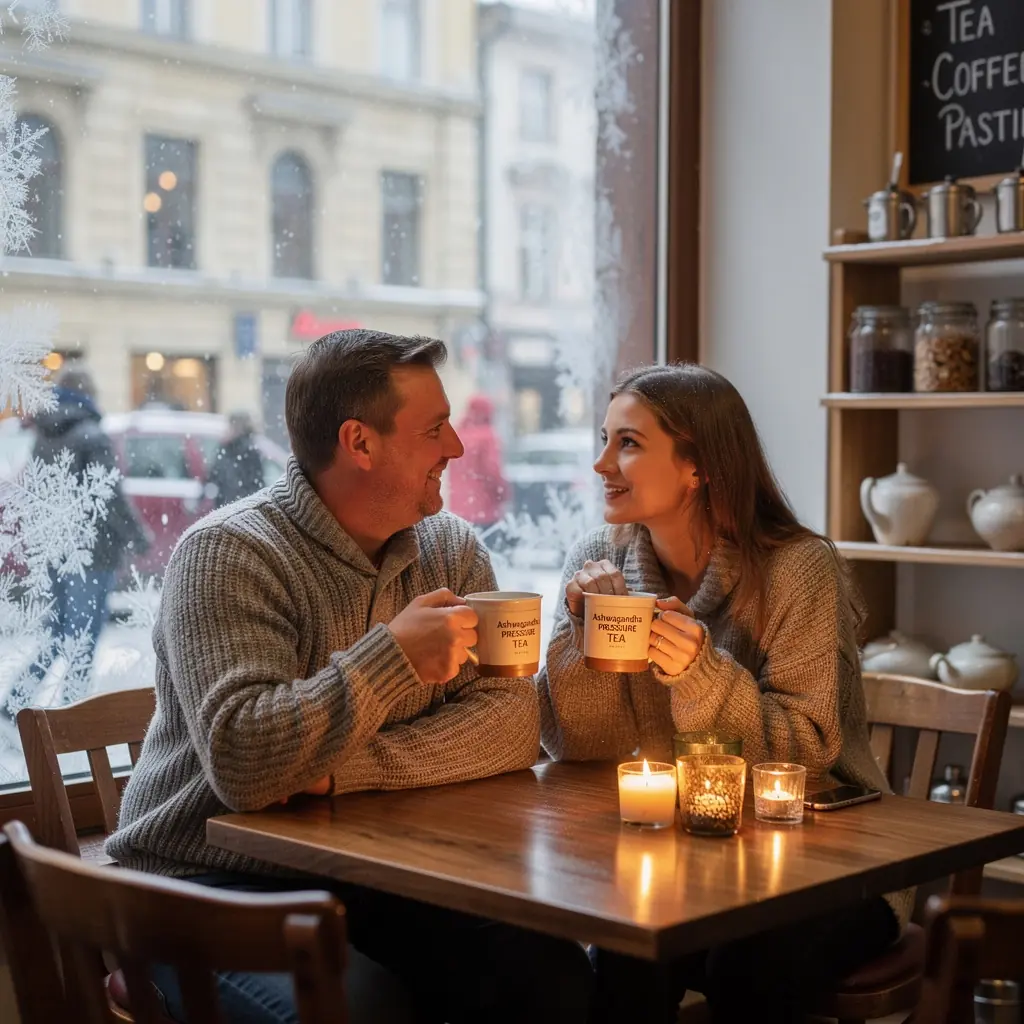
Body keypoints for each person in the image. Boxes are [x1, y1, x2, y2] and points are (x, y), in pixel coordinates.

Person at [107, 329, 594, 1024]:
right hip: (200, 887)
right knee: (362, 1008)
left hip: (369, 873)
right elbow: (246, 765)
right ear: (360, 444)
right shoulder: (227, 555)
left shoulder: (452, 551)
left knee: (549, 974)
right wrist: (392, 658)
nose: (456, 447)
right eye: (434, 429)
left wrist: (340, 773)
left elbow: (513, 723)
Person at [537, 363, 910, 1024]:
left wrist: (699, 674)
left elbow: (813, 751)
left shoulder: (798, 568)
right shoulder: (598, 556)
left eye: (627, 443)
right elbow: (575, 746)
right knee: (623, 957)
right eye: (604, 439)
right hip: (685, 858)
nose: (600, 463)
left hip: (832, 863)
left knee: (743, 967)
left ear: (698, 466)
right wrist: (584, 639)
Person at [5, 365, 148, 715]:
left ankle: (13, 706)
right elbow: (109, 494)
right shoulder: (91, 435)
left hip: (58, 547)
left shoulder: (46, 432)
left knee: (58, 633)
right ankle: (75, 715)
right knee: (83, 636)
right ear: (89, 393)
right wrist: (137, 535)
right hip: (92, 551)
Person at [446, 394, 508, 541]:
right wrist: (503, 494)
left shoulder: (457, 434)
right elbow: (492, 471)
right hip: (484, 511)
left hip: (459, 510)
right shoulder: (487, 436)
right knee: (487, 557)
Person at [207, 410, 266, 508]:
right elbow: (213, 475)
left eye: (231, 426)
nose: (228, 429)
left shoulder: (248, 450)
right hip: (225, 507)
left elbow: (254, 484)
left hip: (240, 507)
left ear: (239, 427)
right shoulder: (225, 448)